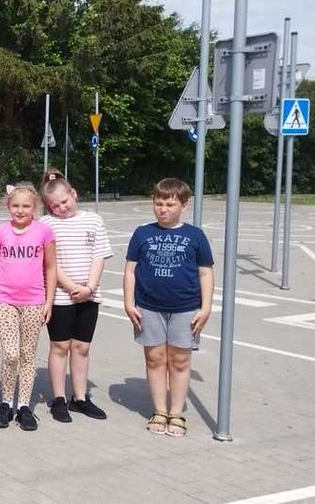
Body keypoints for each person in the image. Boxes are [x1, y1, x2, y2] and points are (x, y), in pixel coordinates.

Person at [123, 178, 214, 438]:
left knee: (180, 360)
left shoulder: (195, 235)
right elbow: (130, 271)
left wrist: (206, 308)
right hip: (149, 307)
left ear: (183, 206)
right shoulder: (142, 233)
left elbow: (205, 273)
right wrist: (129, 303)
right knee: (155, 359)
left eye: (169, 204)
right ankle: (160, 410)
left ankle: (176, 412)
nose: (163, 209)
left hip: (186, 308)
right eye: (158, 203)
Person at [38, 169, 112, 423]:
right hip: (60, 296)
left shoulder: (94, 220)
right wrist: (71, 287)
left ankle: (80, 398)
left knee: (81, 347)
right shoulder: (47, 225)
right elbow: (50, 263)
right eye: (54, 205)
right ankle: (59, 398)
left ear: (74, 194)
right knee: (60, 347)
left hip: (89, 295)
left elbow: (99, 255)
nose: (60, 208)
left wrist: (89, 287)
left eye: (64, 201)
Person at [0, 183, 57, 432]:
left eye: (26, 206)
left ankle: (24, 406)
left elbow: (50, 267)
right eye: (15, 205)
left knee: (28, 354)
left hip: (34, 301)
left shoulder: (44, 232)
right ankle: (5, 403)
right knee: (11, 353)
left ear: (35, 207)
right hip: (5, 300)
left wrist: (49, 301)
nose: (20, 210)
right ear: (8, 207)